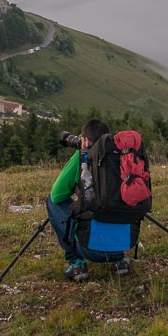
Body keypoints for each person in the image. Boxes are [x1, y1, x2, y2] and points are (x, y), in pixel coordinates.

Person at [45, 118, 131, 281]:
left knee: (52, 200)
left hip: (91, 248)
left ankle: (76, 262)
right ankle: (120, 261)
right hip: (125, 245)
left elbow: (57, 195)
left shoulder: (82, 157)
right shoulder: (124, 156)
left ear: (86, 141)